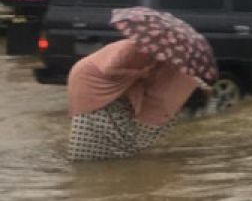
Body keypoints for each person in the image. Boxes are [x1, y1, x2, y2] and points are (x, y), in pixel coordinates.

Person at [66, 39, 204, 161]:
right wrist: (138, 73)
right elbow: (108, 69)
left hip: (113, 87)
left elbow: (173, 74)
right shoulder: (129, 48)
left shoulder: (153, 54)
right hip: (90, 81)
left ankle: (110, 157)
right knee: (93, 120)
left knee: (116, 123)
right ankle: (88, 159)